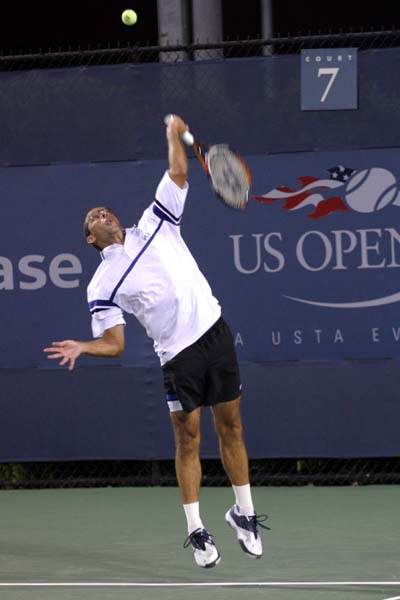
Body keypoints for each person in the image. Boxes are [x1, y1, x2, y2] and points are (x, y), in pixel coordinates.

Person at [43, 114, 268, 568]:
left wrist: (172, 134)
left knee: (232, 427)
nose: (102, 214)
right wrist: (84, 346)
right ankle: (197, 529)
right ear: (90, 238)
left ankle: (243, 513)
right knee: (188, 440)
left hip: (215, 333)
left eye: (104, 210)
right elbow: (116, 343)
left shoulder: (156, 222)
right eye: (93, 217)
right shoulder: (101, 284)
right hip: (178, 358)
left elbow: (179, 172)